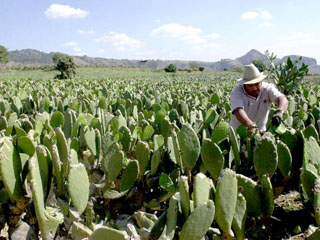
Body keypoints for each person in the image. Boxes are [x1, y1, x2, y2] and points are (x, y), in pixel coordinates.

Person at [230, 63, 288, 135]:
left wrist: (280, 112)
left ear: (261, 81)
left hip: (261, 133)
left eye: (257, 84)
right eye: (250, 85)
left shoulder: (267, 88)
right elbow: (238, 111)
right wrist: (251, 126)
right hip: (239, 136)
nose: (254, 88)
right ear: (244, 84)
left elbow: (282, 99)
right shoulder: (237, 92)